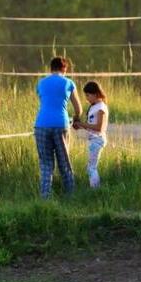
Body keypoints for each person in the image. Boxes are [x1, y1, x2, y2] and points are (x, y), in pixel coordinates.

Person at [34, 56, 82, 198]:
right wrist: (76, 119)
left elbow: (45, 102)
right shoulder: (68, 83)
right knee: (64, 163)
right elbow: (78, 109)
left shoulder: (41, 83)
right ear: (65, 69)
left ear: (51, 68)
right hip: (61, 124)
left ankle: (45, 199)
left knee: (46, 165)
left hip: (41, 125)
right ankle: (70, 197)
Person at [72, 81, 109, 188]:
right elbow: (91, 125)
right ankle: (95, 188)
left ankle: (96, 190)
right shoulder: (94, 106)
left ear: (96, 94)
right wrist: (79, 126)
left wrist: (82, 124)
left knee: (91, 168)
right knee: (90, 167)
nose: (86, 98)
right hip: (93, 140)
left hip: (97, 140)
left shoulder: (101, 107)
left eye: (88, 95)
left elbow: (99, 128)